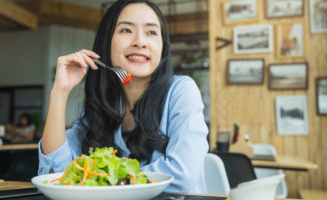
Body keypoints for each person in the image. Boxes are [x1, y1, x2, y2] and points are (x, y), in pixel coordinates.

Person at [38, 0, 209, 193]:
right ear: (107, 41)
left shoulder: (181, 91)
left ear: (162, 47)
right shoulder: (101, 103)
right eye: (126, 30)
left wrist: (101, 181)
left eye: (151, 32)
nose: (140, 41)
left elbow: (181, 176)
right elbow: (56, 173)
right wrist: (60, 92)